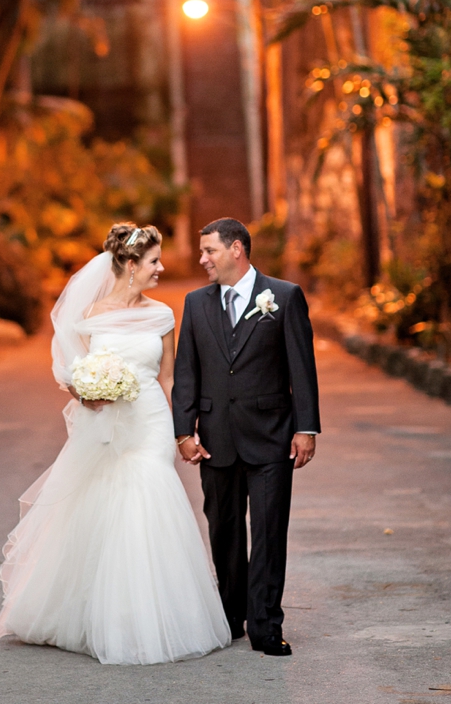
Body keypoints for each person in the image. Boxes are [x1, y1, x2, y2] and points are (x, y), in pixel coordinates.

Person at [0, 222, 231, 665]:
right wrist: (86, 393)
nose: (161, 269)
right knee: (105, 504)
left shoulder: (163, 315)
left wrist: (182, 431)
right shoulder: (91, 314)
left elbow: (169, 377)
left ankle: (153, 614)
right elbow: (71, 372)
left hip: (150, 421)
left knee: (149, 495)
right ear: (130, 263)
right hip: (105, 422)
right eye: (154, 261)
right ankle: (102, 613)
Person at [172, 217, 321, 656]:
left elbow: (302, 367)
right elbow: (186, 372)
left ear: (237, 249)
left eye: (209, 251)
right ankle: (229, 617)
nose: (202, 260)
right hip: (216, 437)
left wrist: (306, 427)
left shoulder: (285, 296)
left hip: (272, 436)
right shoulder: (196, 304)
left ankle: (265, 625)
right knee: (224, 532)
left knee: (270, 532)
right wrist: (184, 430)